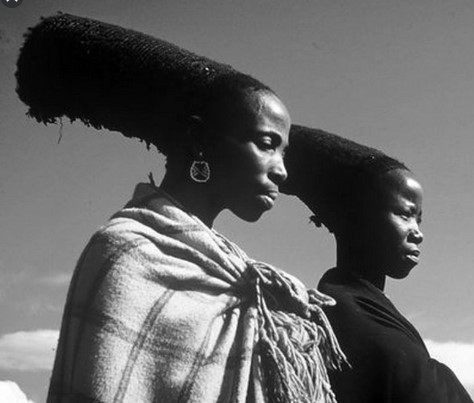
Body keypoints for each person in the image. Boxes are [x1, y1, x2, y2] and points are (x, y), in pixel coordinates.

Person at [16, 14, 345, 403]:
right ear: (199, 139)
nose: (282, 171)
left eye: (284, 151)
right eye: (266, 143)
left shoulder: (236, 276)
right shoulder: (125, 255)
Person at [281, 125, 473, 403]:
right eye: (404, 214)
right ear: (358, 218)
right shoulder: (350, 315)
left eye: (419, 219)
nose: (417, 232)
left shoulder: (368, 307)